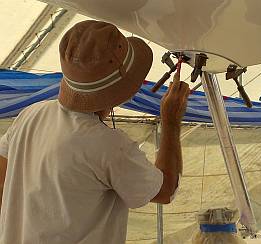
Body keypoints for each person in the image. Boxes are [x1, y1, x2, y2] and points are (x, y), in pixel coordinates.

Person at [0, 20, 189, 244]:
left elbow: (2, 177)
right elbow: (166, 190)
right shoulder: (108, 145)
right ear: (123, 91)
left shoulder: (31, 115)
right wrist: (171, 120)